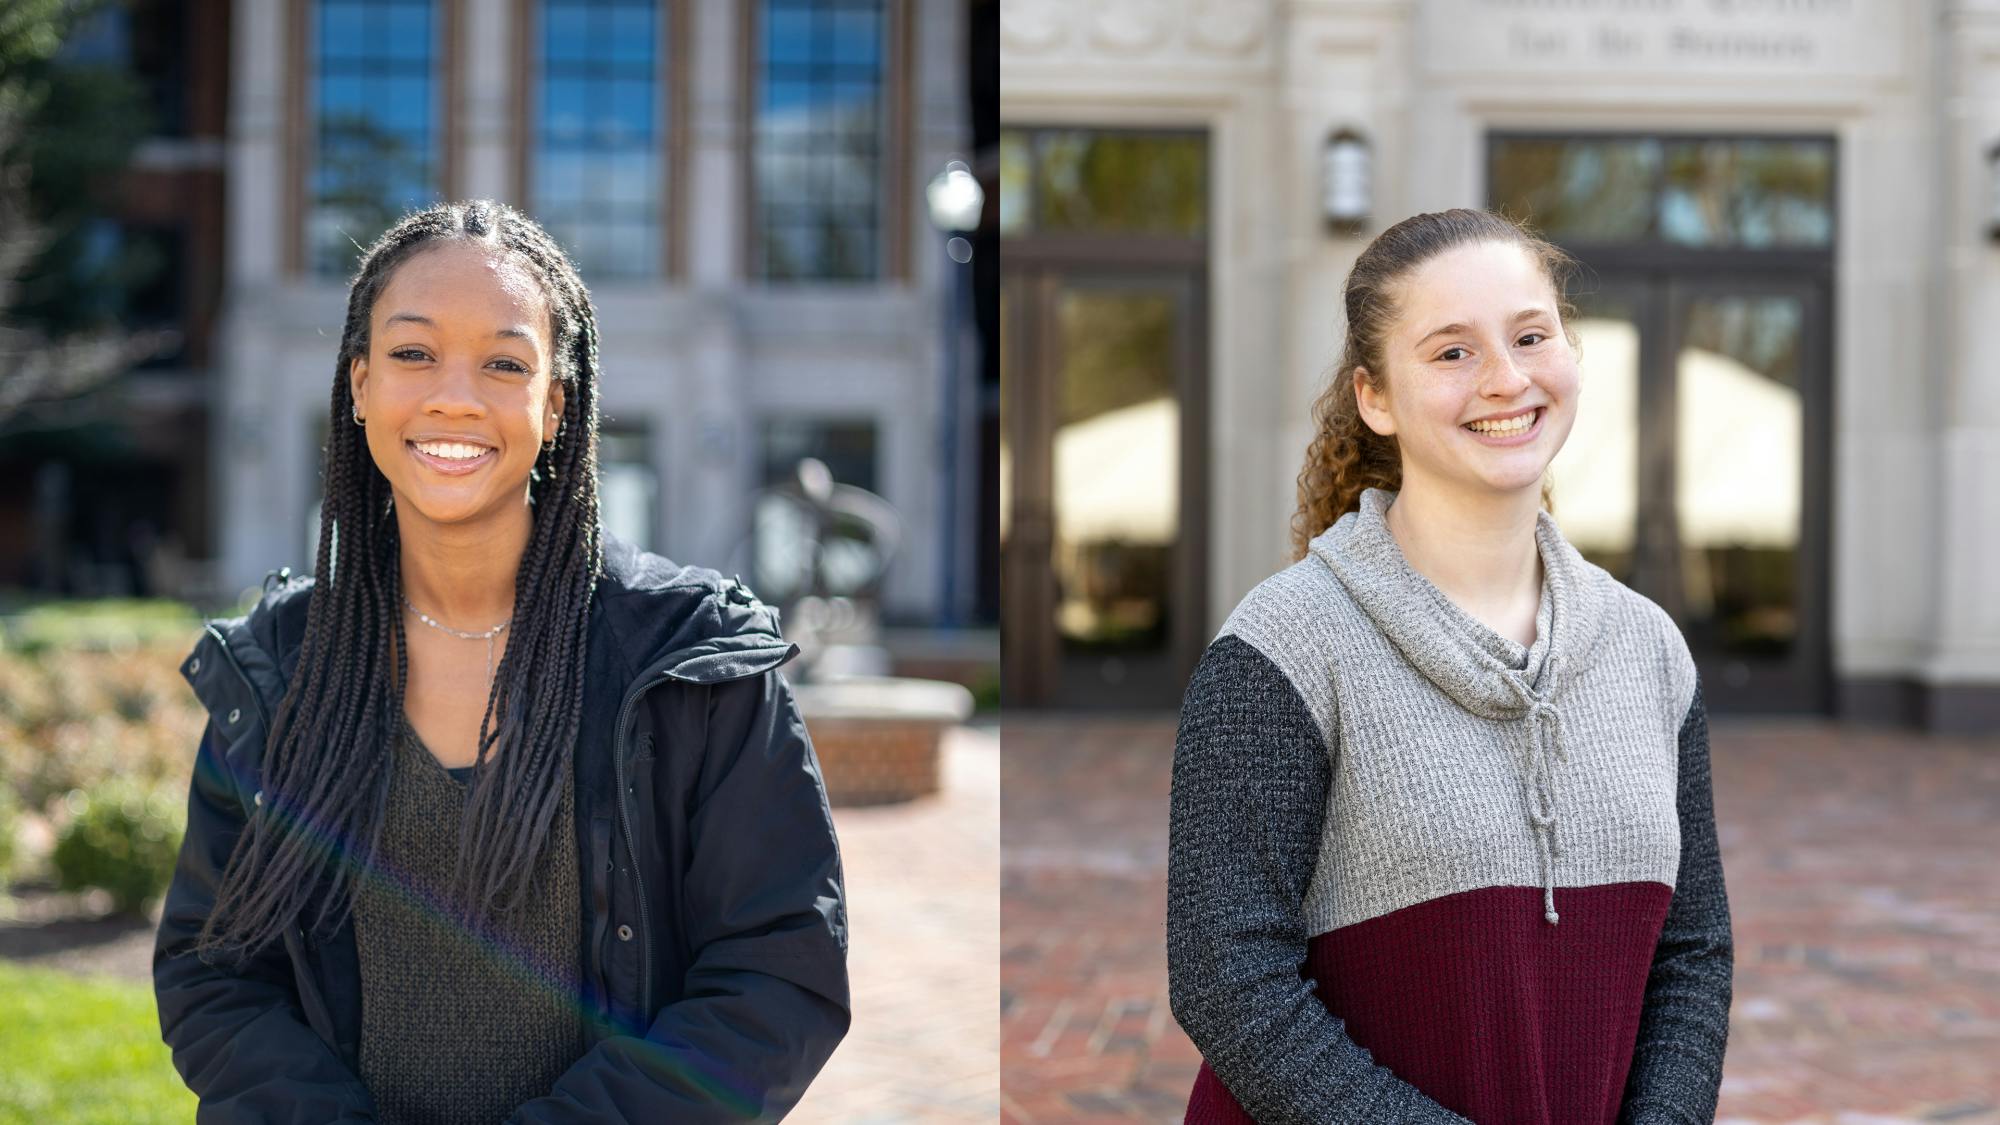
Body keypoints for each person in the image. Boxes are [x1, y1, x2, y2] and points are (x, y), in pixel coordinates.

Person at [153, 199, 849, 1123]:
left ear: (555, 402)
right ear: (359, 384)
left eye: (504, 362)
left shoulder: (691, 662)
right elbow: (214, 969)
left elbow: (777, 972)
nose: (455, 394)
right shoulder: (277, 670)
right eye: (412, 353)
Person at [1165, 208, 1732, 1124]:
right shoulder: (1284, 646)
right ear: (1375, 397)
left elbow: (1692, 949)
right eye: (1451, 352)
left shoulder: (1650, 648)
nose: (1506, 378)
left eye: (1530, 336)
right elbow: (1226, 977)